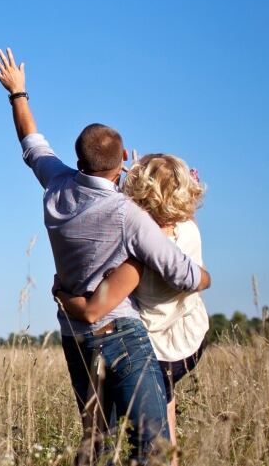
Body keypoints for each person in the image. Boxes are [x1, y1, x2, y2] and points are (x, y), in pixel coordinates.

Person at [0, 48, 211, 465]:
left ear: (77, 160)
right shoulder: (129, 215)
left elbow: (31, 143)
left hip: (75, 336)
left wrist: (18, 93)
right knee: (154, 448)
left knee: (95, 443)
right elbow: (180, 273)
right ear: (123, 160)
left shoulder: (55, 185)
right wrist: (205, 278)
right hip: (123, 336)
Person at [56, 153, 209, 465]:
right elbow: (168, 203)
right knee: (164, 425)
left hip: (155, 349)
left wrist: (62, 294)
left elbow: (93, 310)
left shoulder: (139, 251)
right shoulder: (188, 229)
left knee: (146, 439)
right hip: (191, 339)